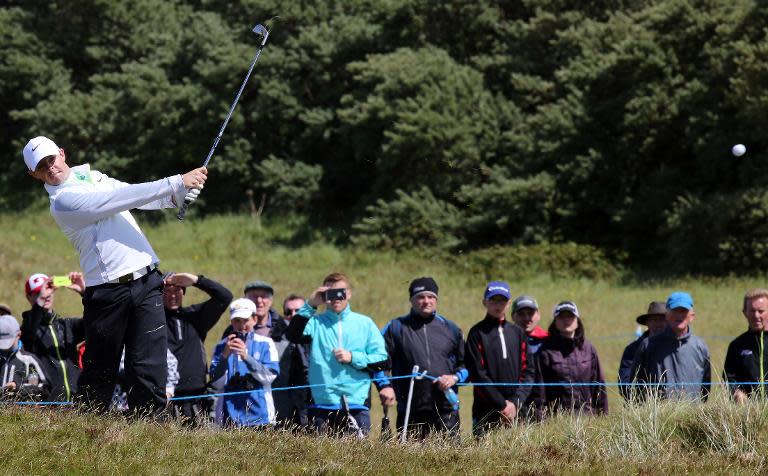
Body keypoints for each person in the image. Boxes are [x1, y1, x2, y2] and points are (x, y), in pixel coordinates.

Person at [23, 135, 207, 416]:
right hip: (107, 292)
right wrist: (176, 181)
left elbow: (137, 196)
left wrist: (176, 197)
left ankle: (150, 431)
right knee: (101, 370)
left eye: (52, 159)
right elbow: (117, 200)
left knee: (149, 365)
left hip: (147, 280)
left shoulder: (94, 177)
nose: (50, 167)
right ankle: (88, 428)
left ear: (62, 153)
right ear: (33, 174)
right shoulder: (62, 203)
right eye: (41, 166)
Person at [286, 272, 388, 437]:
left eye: (340, 292)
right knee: (320, 461)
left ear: (349, 294)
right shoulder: (315, 323)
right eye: (330, 293)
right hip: (320, 406)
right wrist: (311, 304)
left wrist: (353, 357)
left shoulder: (365, 324)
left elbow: (383, 361)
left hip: (356, 404)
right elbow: (292, 335)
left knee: (357, 461)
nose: (336, 298)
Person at [376, 277, 467, 440]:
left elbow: (467, 366)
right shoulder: (395, 328)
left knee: (450, 461)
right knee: (410, 463)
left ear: (436, 299)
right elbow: (378, 363)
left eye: (431, 296)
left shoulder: (451, 329)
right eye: (420, 297)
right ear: (411, 300)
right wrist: (385, 386)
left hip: (446, 410)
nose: (426, 301)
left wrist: (454, 378)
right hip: (410, 408)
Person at [465, 282, 536, 437]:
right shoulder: (477, 333)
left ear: (509, 303)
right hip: (486, 409)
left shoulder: (518, 333)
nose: (498, 305)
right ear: (485, 302)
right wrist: (502, 405)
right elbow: (478, 374)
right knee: (484, 458)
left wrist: (515, 403)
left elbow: (528, 371)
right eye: (493, 300)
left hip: (517, 411)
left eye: (502, 301)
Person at [163, 272, 232, 425]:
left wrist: (196, 280)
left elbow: (225, 297)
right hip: (165, 399)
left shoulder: (195, 316)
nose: (172, 295)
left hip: (197, 399)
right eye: (166, 291)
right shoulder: (153, 322)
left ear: (184, 292)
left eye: (177, 290)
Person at [210, 298, 279, 428]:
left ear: (254, 319)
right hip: (229, 417)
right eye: (237, 321)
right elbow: (216, 383)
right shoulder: (221, 347)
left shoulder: (266, 343)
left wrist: (246, 357)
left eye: (246, 320)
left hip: (261, 416)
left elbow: (269, 377)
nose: (242, 326)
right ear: (231, 322)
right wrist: (224, 356)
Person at [631, 291, 711, 402]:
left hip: (693, 416)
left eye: (683, 311)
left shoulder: (700, 346)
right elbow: (634, 384)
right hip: (658, 416)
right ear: (667, 315)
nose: (679, 315)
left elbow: (705, 388)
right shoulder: (648, 345)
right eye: (675, 311)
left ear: (692, 316)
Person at [21, 272, 85, 401]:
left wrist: (85, 294)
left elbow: (95, 324)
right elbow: (28, 336)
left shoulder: (67, 325)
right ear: (29, 297)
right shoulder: (27, 329)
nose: (46, 295)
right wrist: (40, 301)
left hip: (75, 404)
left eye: (49, 289)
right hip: (46, 407)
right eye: (38, 293)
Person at [537, 301, 608, 415]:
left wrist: (603, 416)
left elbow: (599, 385)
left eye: (570, 316)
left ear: (577, 321)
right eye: (561, 317)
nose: (566, 320)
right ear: (555, 322)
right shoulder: (546, 352)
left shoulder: (589, 349)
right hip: (557, 420)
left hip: (588, 419)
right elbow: (540, 392)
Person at [724, 288, 768, 402]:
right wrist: (736, 392)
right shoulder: (736, 345)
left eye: (761, 311)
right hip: (748, 413)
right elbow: (729, 378)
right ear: (745, 312)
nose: (756, 315)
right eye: (752, 311)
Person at [618, 301, 667, 401]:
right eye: (654, 320)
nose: (658, 324)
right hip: (642, 407)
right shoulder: (632, 349)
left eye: (662, 319)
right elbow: (625, 384)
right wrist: (646, 395)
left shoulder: (675, 348)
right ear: (647, 323)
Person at [510, 295, 548, 420]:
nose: (527, 318)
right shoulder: (505, 341)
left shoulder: (548, 340)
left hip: (543, 404)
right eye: (521, 314)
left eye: (530, 313)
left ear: (538, 315)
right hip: (514, 403)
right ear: (513, 316)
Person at [0, 315, 48, 400]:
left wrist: (17, 388)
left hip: (21, 412)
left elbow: (43, 388)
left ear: (18, 335)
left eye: (8, 341)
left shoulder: (29, 361)